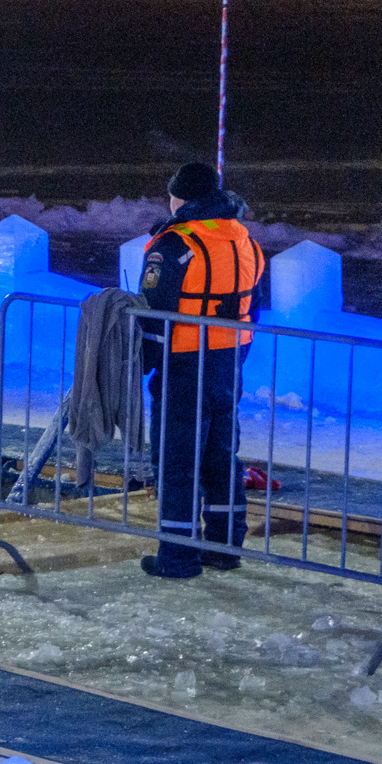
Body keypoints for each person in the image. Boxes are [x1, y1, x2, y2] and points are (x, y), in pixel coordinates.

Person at [137, 161, 265, 579]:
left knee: (177, 460)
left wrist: (141, 366)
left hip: (184, 364)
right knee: (222, 457)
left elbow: (155, 316)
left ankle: (177, 556)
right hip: (229, 364)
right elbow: (252, 305)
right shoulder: (244, 238)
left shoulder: (174, 244)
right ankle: (225, 547)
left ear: (182, 197)